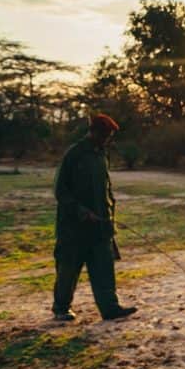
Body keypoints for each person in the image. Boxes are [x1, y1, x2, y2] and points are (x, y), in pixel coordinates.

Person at [51, 113, 137, 321]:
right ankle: (61, 308)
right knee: (68, 270)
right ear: (94, 132)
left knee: (104, 267)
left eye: (110, 136)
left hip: (101, 226)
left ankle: (110, 308)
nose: (108, 139)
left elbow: (106, 189)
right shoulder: (74, 154)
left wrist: (109, 216)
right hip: (73, 227)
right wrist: (80, 211)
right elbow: (60, 190)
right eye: (106, 135)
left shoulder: (101, 154)